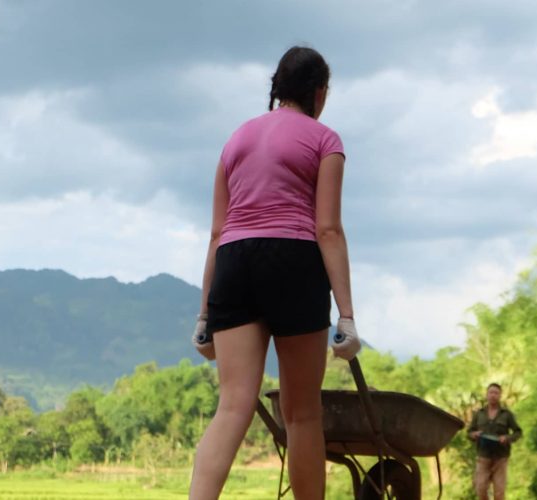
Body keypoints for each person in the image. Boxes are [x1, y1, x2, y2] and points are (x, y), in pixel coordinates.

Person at [188, 46, 355, 500]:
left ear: (278, 87)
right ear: (319, 91)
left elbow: (217, 233)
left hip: (234, 262)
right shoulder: (325, 140)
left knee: (233, 405)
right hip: (293, 260)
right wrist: (346, 316)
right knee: (302, 413)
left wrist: (204, 316)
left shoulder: (235, 140)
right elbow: (328, 229)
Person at [468, 383, 523, 500]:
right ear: (486, 395)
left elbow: (518, 432)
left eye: (496, 393)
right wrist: (475, 435)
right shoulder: (479, 413)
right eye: (491, 392)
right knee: (480, 488)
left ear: (500, 395)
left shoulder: (507, 414)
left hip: (501, 458)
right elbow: (469, 432)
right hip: (483, 457)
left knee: (499, 492)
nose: (493, 395)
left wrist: (507, 438)